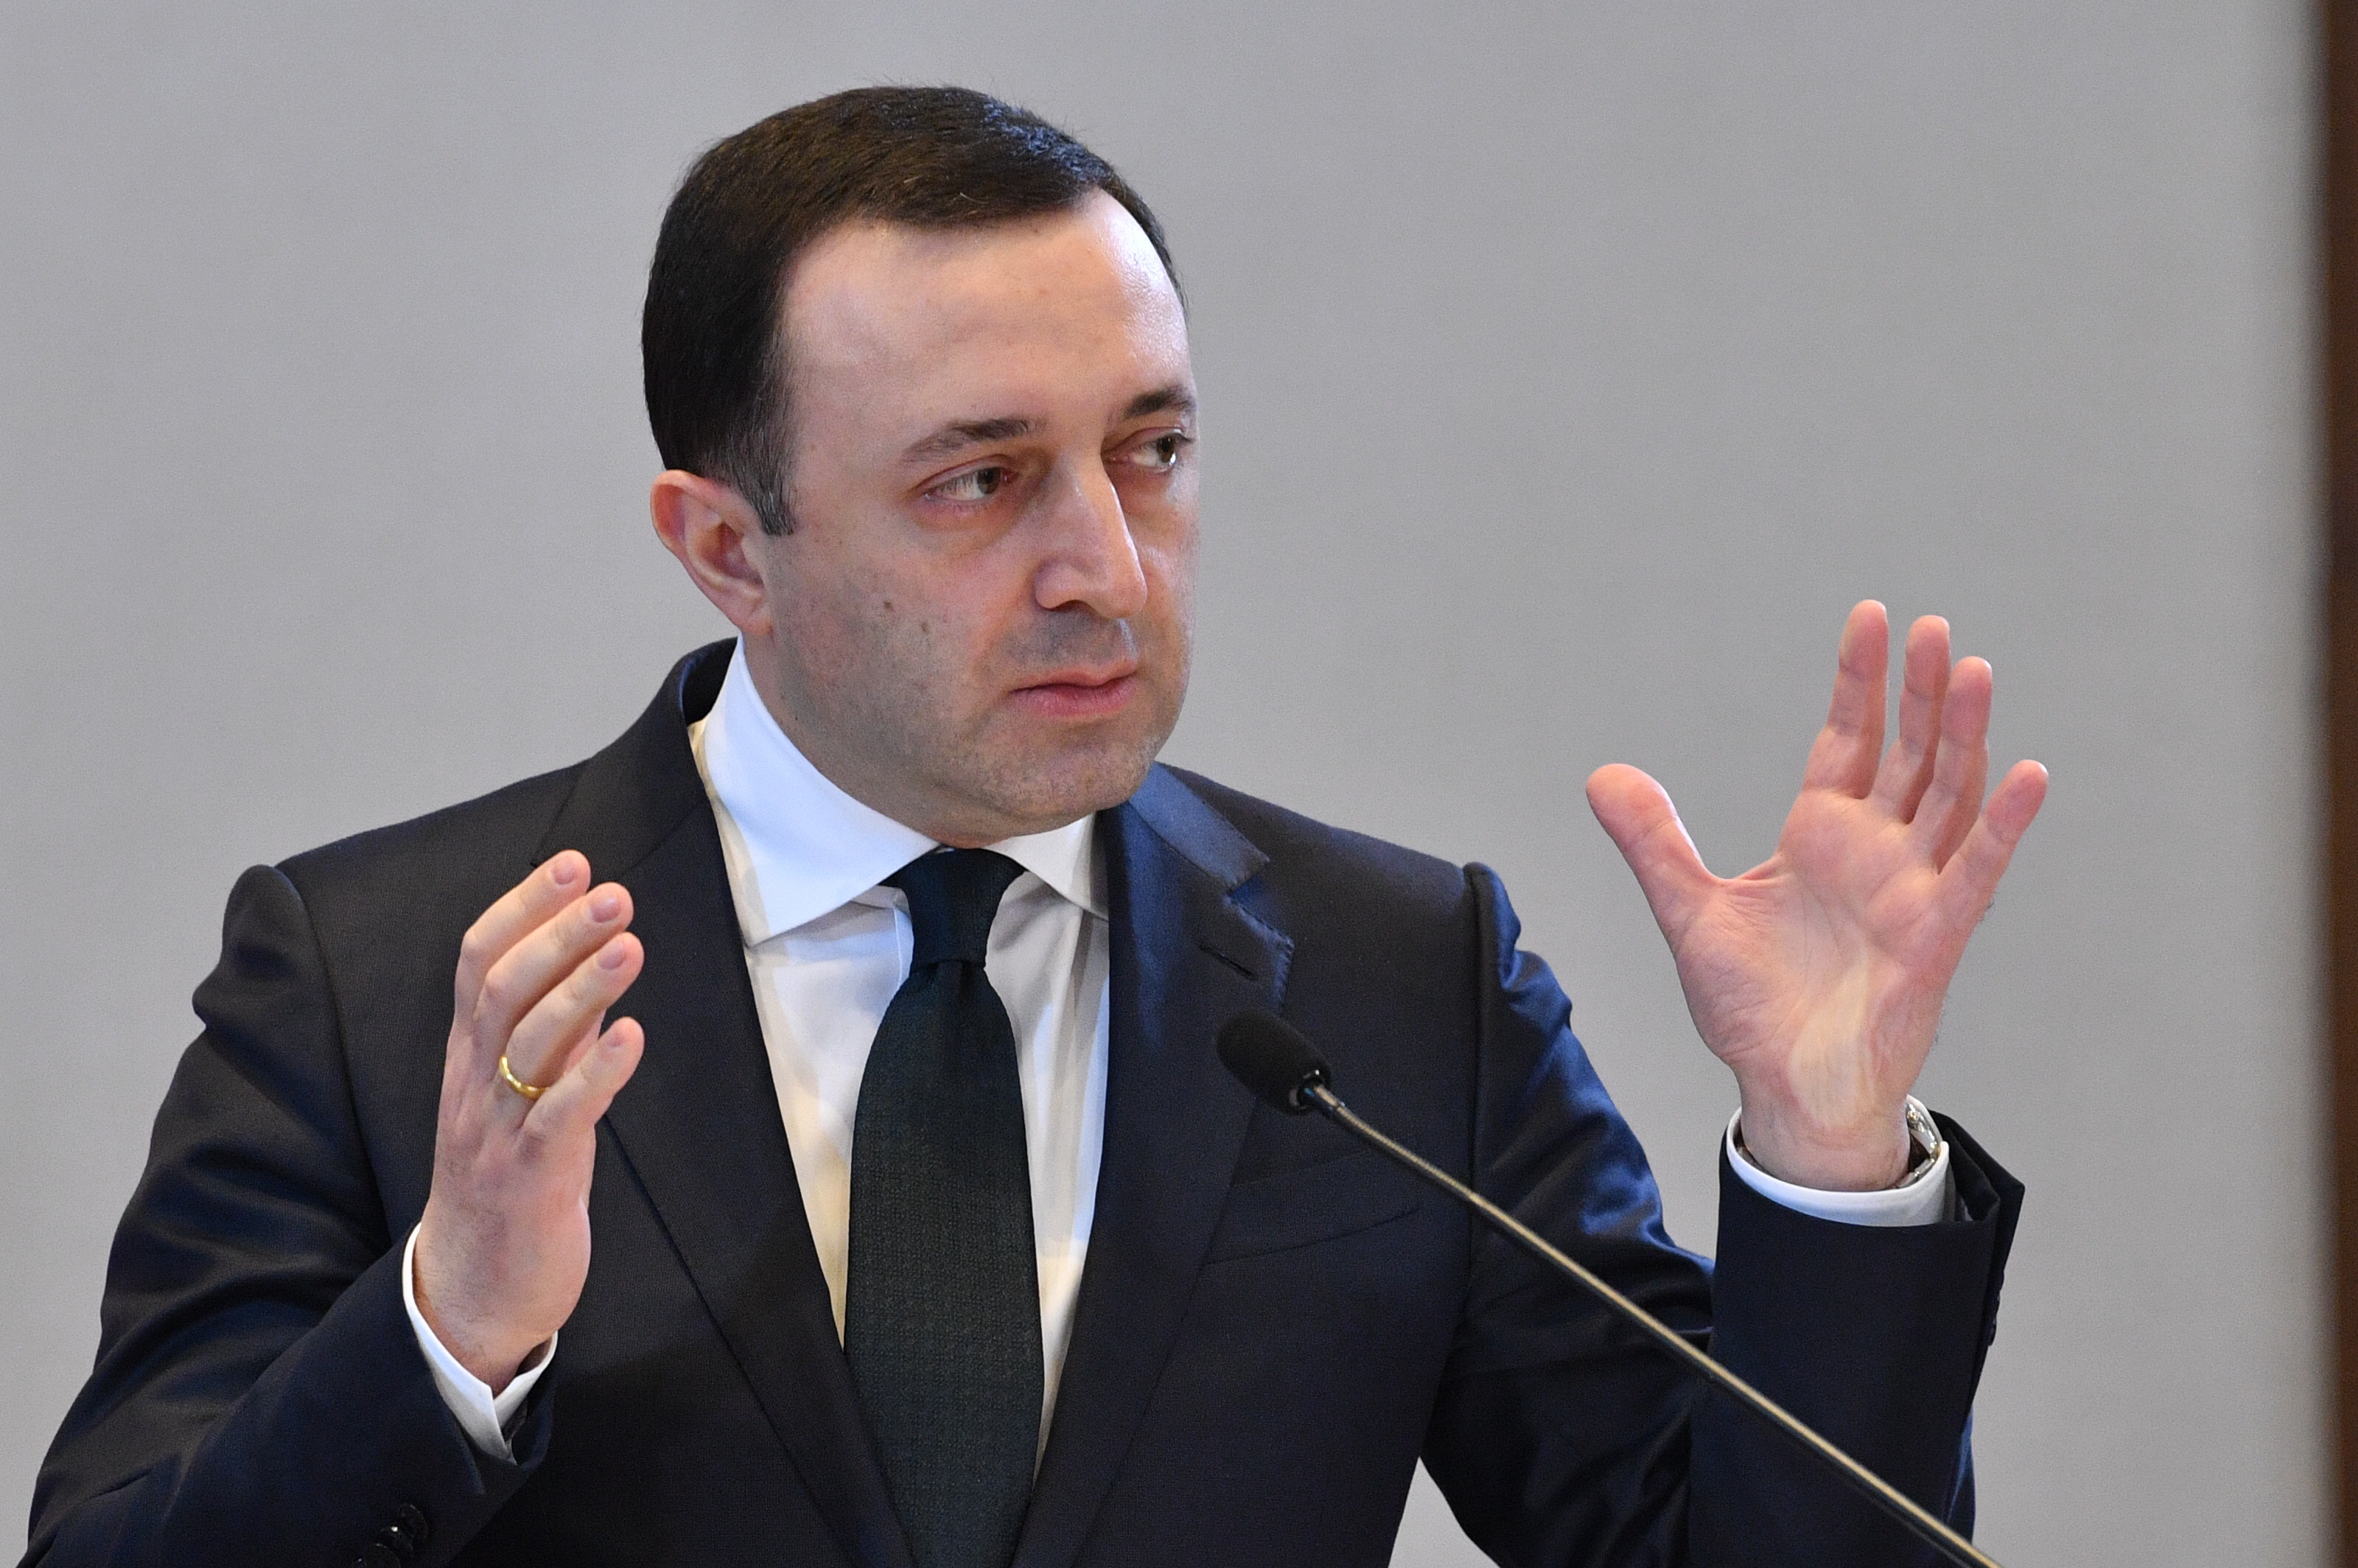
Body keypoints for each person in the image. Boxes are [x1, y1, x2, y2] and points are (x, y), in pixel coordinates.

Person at [23, 87, 2045, 1568]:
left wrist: (1828, 1154)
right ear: (728, 545)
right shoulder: (379, 981)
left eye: (1149, 453)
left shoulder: (1392, 987)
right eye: (981, 483)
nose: (1106, 565)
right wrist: (448, 1325)